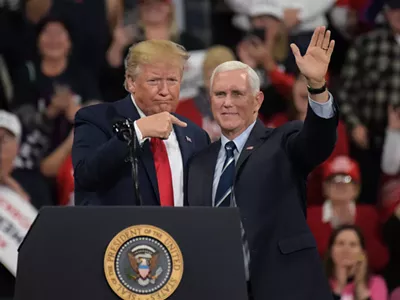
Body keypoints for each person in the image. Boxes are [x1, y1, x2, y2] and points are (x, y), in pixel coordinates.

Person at [187, 26, 337, 300]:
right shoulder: (198, 164)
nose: (227, 103)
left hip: (285, 287)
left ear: (257, 101)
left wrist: (316, 87)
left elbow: (318, 141)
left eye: (237, 94)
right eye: (220, 95)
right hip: (220, 290)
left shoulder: (282, 141)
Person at [72, 39, 210, 206]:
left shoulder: (195, 135)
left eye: (172, 80)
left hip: (179, 232)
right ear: (131, 82)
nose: (165, 91)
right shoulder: (97, 119)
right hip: (119, 231)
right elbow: (86, 176)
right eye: (154, 81)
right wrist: (137, 131)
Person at [307, 156, 389, 272]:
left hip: (361, 282)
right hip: (320, 280)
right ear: (325, 187)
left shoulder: (369, 215)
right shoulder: (311, 216)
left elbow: (380, 259)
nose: (340, 185)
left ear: (356, 189)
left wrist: (353, 230)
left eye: (347, 180)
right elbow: (305, 257)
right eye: (334, 181)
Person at [325, 225, 388, 300]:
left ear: (362, 254)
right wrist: (339, 288)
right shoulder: (317, 283)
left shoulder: (376, 284)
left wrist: (360, 287)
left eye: (353, 244)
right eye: (340, 243)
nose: (346, 249)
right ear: (331, 252)